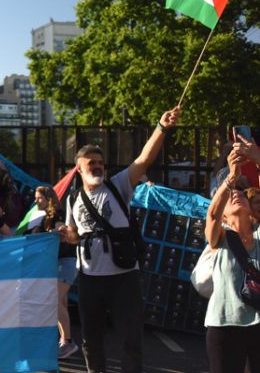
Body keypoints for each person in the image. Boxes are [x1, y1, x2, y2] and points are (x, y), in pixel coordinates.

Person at [58, 106, 179, 373]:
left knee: (130, 339)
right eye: (92, 163)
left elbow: (143, 159)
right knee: (91, 338)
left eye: (101, 163)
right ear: (79, 168)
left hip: (124, 276)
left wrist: (161, 127)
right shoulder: (73, 199)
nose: (98, 167)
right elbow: (74, 234)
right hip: (89, 277)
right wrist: (67, 235)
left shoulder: (118, 185)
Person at [203, 148, 260, 372]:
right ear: (224, 214)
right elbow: (212, 215)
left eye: (240, 191)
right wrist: (231, 178)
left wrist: (257, 158)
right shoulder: (221, 239)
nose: (235, 193)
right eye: (230, 193)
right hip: (223, 328)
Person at [30, 185, 79, 359]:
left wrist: (52, 233)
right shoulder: (45, 217)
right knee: (60, 302)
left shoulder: (57, 214)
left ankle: (67, 341)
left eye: (39, 198)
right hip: (57, 262)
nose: (36, 200)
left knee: (54, 299)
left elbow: (60, 234)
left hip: (64, 262)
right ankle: (64, 340)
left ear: (48, 198)